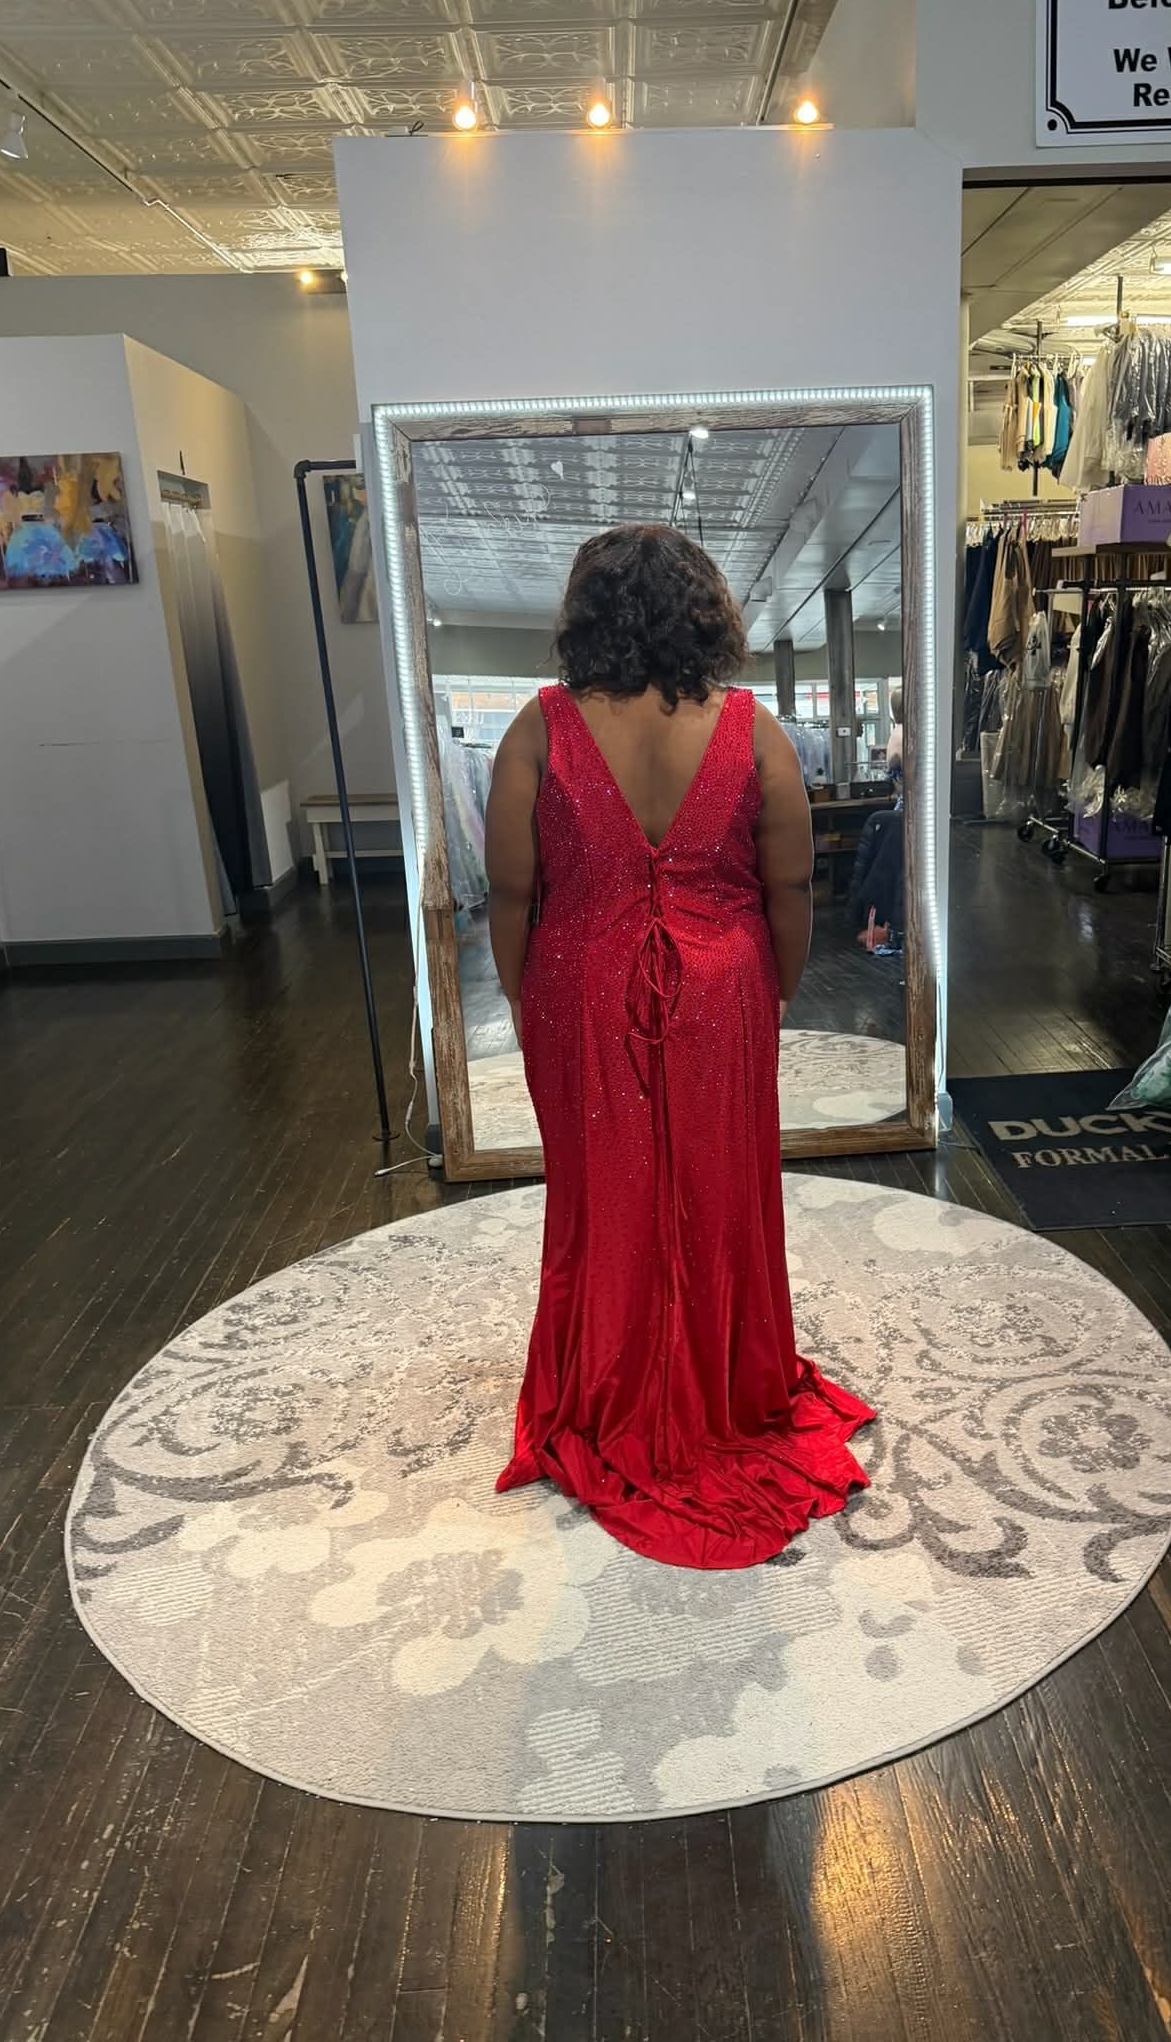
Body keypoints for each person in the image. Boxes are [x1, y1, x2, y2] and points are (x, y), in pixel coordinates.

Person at [484, 524, 875, 1569]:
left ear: (586, 615)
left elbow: (512, 895)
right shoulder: (754, 730)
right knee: (721, 1190)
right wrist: (775, 986)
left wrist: (526, 1000)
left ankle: (605, 1388)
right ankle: (731, 1386)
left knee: (599, 1196)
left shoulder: (539, 729)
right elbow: (791, 886)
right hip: (723, 986)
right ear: (705, 613)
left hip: (579, 986)